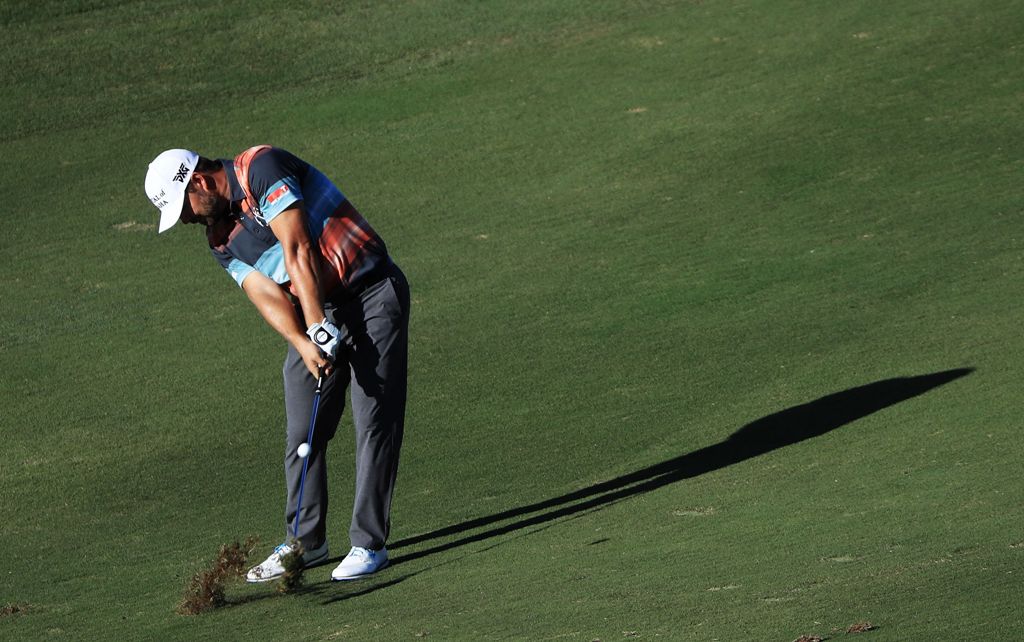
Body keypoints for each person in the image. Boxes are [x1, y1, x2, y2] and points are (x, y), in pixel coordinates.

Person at [144, 145, 410, 582]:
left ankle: (369, 544)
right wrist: (303, 340)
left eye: (183, 208)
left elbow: (298, 246)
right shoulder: (219, 236)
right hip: (315, 314)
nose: (187, 220)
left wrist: (317, 319)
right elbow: (262, 292)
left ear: (199, 181)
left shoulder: (261, 167)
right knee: (302, 428)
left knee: (373, 420)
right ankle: (305, 543)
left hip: (371, 294)